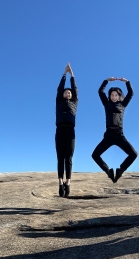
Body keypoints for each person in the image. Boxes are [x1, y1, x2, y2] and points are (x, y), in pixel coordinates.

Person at [92, 77, 137, 183]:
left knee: (133, 154)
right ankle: (108, 171)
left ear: (119, 96)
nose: (114, 96)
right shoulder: (106, 104)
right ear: (110, 96)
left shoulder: (123, 105)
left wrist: (127, 82)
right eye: (112, 95)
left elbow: (131, 93)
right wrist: (106, 81)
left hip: (119, 135)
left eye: (116, 95)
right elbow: (100, 91)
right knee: (95, 155)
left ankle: (120, 170)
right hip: (108, 135)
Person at [55, 63, 78, 197]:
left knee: (68, 158)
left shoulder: (74, 103)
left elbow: (75, 89)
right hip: (59, 131)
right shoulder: (59, 102)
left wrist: (72, 75)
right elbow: (59, 89)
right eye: (66, 92)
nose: (67, 93)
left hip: (70, 132)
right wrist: (64, 74)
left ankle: (68, 183)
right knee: (60, 158)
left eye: (69, 93)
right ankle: (60, 183)